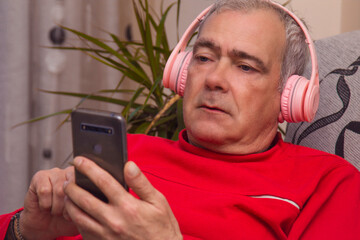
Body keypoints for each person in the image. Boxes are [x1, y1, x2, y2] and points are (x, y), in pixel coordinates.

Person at [2, 0, 360, 239]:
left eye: (245, 66)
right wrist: (25, 229)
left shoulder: (327, 183)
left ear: (289, 96)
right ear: (181, 73)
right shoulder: (132, 151)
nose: (214, 79)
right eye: (203, 58)